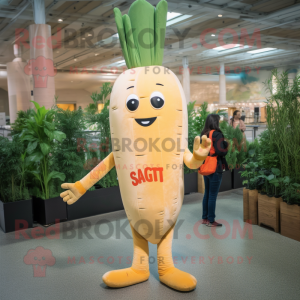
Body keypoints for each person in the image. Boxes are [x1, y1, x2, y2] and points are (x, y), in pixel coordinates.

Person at [200, 114, 229, 227]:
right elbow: (220, 151)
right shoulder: (217, 134)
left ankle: (205, 218)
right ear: (215, 122)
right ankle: (211, 220)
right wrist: (225, 146)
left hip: (205, 165)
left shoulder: (203, 134)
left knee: (207, 193)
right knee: (212, 195)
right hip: (215, 167)